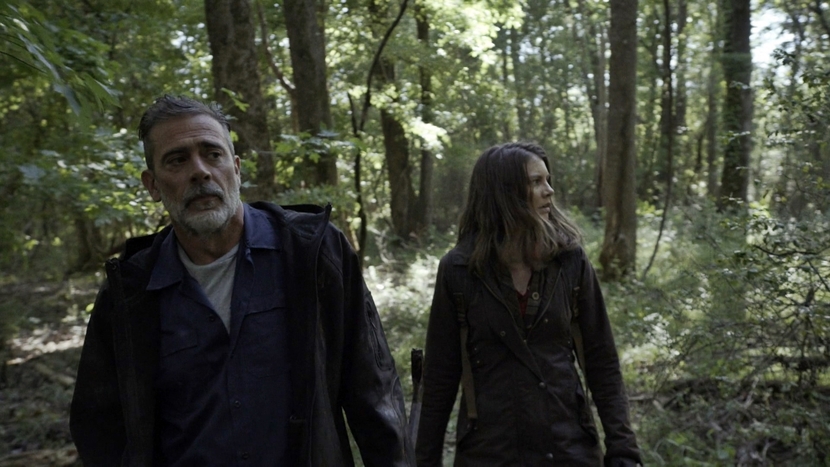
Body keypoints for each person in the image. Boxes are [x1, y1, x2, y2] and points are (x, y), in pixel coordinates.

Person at [70, 95, 413, 466]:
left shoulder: (312, 254)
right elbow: (101, 430)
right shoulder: (130, 292)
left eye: (212, 154)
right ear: (152, 185)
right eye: (177, 160)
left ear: (235, 168)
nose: (200, 172)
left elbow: (374, 393)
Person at [415, 143, 641, 466]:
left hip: (568, 449)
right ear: (504, 193)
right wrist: (425, 459)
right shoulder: (459, 270)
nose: (549, 191)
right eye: (536, 182)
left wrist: (623, 450)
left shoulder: (569, 261)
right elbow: (439, 378)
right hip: (490, 454)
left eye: (547, 180)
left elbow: (602, 362)